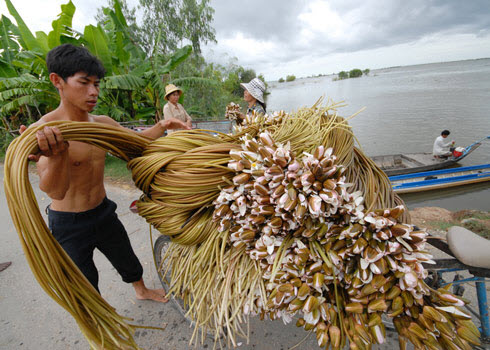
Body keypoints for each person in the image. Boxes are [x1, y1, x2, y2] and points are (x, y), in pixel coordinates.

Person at [20, 43, 190, 302]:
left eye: (97, 84)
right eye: (84, 83)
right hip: (69, 223)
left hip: (102, 210)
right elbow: (54, 190)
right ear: (58, 81)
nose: (93, 92)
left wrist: (163, 125)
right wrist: (58, 155)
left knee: (126, 256)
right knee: (84, 280)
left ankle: (141, 290)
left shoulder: (103, 125)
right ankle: (99, 324)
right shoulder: (44, 132)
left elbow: (137, 142)